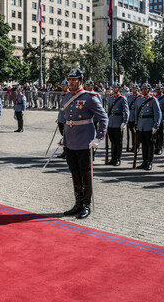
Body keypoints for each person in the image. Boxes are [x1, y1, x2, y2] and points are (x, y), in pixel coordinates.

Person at [60, 69, 108, 219]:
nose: (71, 82)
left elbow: (103, 118)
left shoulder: (90, 97)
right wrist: (64, 137)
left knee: (85, 174)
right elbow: (67, 120)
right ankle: (77, 203)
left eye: (74, 80)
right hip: (70, 142)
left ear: (81, 80)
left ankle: (86, 205)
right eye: (70, 79)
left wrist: (98, 139)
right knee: (74, 173)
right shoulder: (66, 96)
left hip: (85, 143)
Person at [134, 83, 162, 171]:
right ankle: (144, 161)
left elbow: (158, 113)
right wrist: (136, 123)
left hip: (149, 124)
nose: (144, 90)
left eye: (146, 89)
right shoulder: (139, 100)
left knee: (150, 144)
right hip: (141, 124)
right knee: (143, 144)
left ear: (149, 90)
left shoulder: (153, 100)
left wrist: (156, 125)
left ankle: (149, 162)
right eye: (143, 89)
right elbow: (136, 113)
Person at [106, 82, 128, 166]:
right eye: (113, 88)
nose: (114, 89)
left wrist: (124, 122)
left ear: (119, 89)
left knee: (118, 142)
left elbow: (126, 112)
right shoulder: (110, 98)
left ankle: (118, 159)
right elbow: (108, 111)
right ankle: (113, 158)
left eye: (116, 88)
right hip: (111, 122)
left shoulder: (122, 98)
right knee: (112, 141)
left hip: (118, 122)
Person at [154, 83, 164, 155]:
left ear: (162, 90)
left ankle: (160, 148)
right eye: (156, 89)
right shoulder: (154, 97)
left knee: (161, 134)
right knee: (155, 134)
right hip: (155, 118)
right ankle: (156, 147)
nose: (157, 90)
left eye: (159, 89)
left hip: (162, 116)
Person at [126, 83, 141, 152]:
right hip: (131, 116)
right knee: (132, 132)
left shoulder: (140, 97)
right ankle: (133, 146)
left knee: (137, 132)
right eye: (132, 88)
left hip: (137, 116)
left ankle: (137, 146)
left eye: (135, 88)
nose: (133, 90)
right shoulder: (129, 97)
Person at [57, 80, 69, 159]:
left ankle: (67, 152)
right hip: (61, 118)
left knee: (67, 136)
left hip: (67, 118)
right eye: (62, 86)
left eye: (64, 86)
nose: (63, 88)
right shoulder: (61, 95)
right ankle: (64, 151)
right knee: (63, 135)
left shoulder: (70, 95)